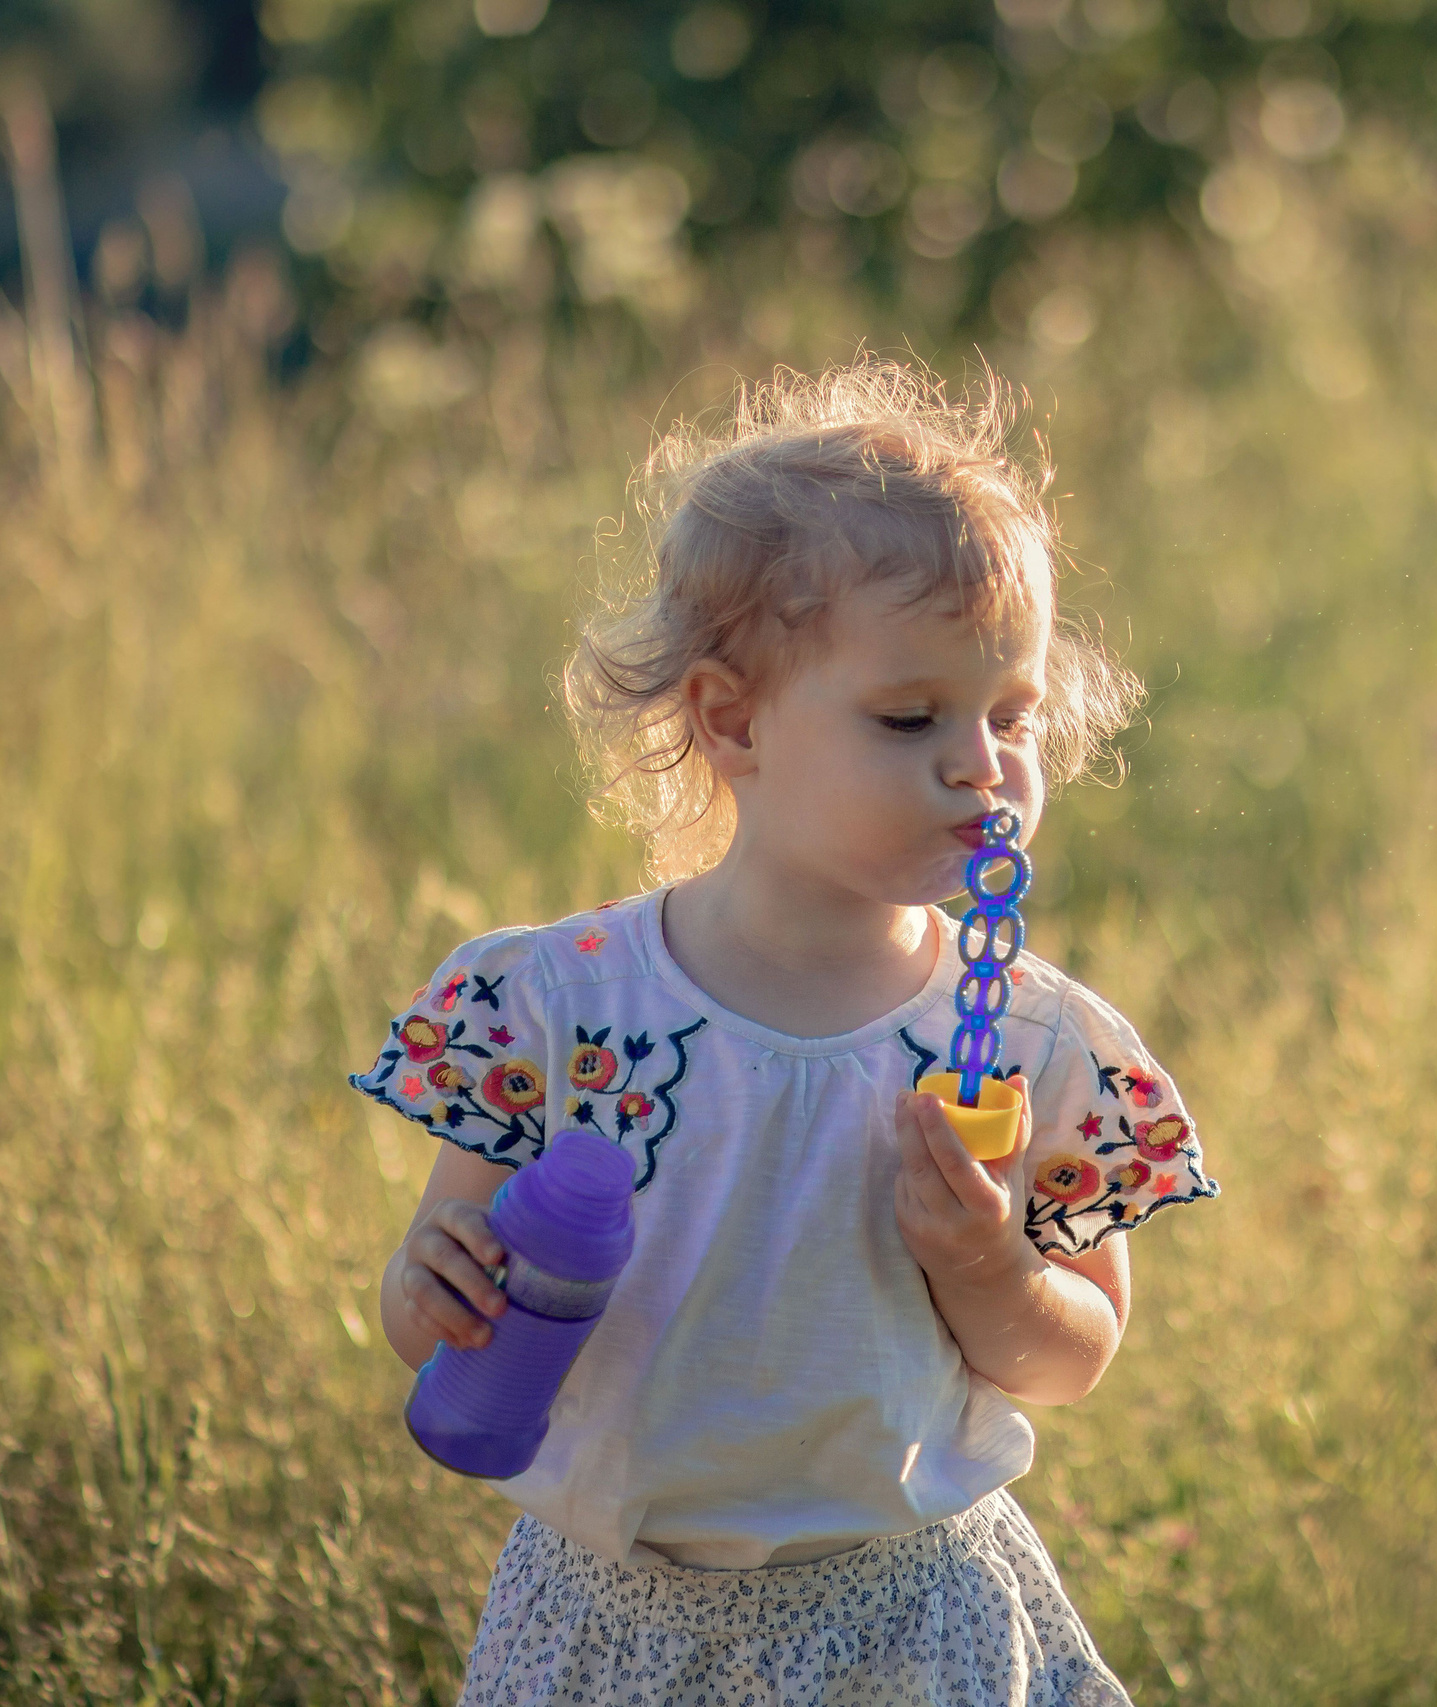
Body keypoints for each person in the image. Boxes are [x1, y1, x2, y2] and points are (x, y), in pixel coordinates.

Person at [353, 359, 1217, 1705]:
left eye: (1012, 714)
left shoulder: (1029, 1043)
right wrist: (436, 1289)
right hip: (613, 1621)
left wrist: (991, 1267)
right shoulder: (563, 1006)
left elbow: (1076, 1351)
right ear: (732, 718)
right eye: (909, 716)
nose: (981, 766)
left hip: (906, 1616)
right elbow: (429, 1305)